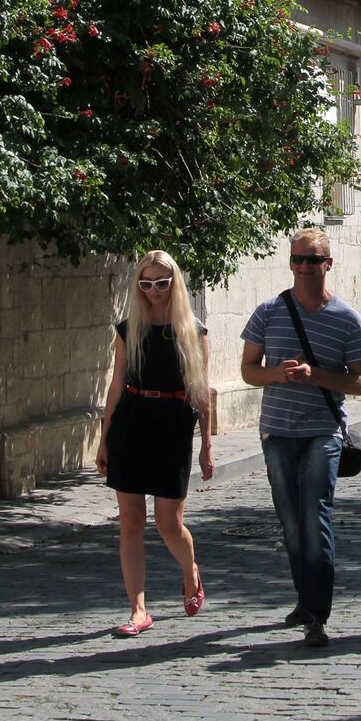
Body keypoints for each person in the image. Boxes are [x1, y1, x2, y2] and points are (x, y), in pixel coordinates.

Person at [240, 228, 361, 648]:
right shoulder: (269, 311)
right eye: (298, 259)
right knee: (292, 524)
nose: (304, 267)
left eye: (313, 260)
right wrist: (277, 374)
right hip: (277, 432)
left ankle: (317, 614)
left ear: (328, 264)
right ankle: (303, 599)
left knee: (315, 520)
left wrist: (316, 376)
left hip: (322, 433)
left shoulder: (346, 319)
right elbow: (248, 369)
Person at [95, 250, 215, 638]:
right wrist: (103, 438)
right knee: (130, 520)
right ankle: (138, 609)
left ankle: (189, 571)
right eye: (145, 284)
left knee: (168, 523)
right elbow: (117, 383)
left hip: (173, 425)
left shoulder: (193, 331)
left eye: (161, 283)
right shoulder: (129, 328)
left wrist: (206, 445)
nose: (153, 291)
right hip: (131, 422)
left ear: (175, 283)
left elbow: (201, 392)